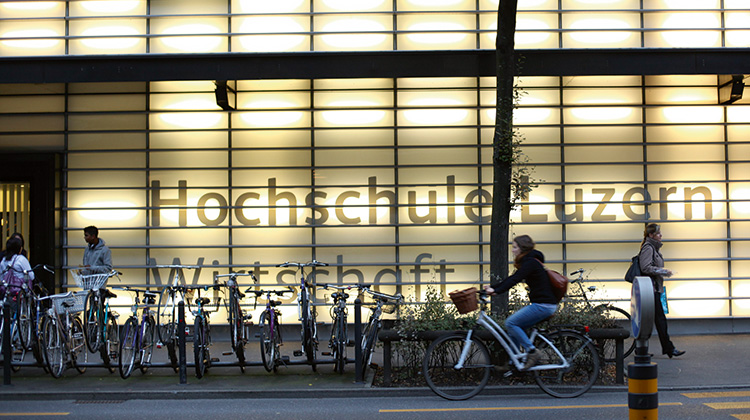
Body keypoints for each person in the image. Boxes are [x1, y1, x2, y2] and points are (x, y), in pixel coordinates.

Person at [483, 234, 558, 370]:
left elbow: (514, 279)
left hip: (543, 305)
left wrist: (496, 290)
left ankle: (532, 351)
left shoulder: (531, 263)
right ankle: (515, 363)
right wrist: (494, 289)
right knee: (516, 327)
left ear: (522, 248)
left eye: (514, 247)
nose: (512, 250)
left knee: (511, 323)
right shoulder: (530, 261)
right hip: (543, 304)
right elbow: (512, 278)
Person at [639, 223, 685, 358]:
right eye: (658, 233)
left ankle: (644, 349)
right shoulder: (648, 248)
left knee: (652, 320)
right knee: (659, 320)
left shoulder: (653, 248)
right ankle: (669, 349)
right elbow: (645, 268)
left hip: (653, 289)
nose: (661, 235)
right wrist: (662, 271)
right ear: (651, 235)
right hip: (650, 290)